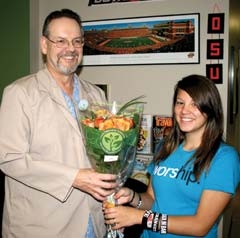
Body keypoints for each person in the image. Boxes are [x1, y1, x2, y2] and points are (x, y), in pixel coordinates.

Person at [0, 9, 118, 238]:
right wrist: (74, 177)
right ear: (44, 45)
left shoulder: (96, 95)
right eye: (61, 41)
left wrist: (114, 201)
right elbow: (9, 159)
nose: (70, 49)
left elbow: (106, 156)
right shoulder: (20, 93)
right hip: (43, 228)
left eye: (77, 41)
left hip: (93, 224)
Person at [103, 74, 240, 238]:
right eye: (180, 103)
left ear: (210, 109)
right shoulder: (165, 146)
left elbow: (200, 226)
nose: (184, 110)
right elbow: (153, 200)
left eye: (195, 104)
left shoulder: (224, 158)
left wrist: (137, 217)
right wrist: (133, 198)